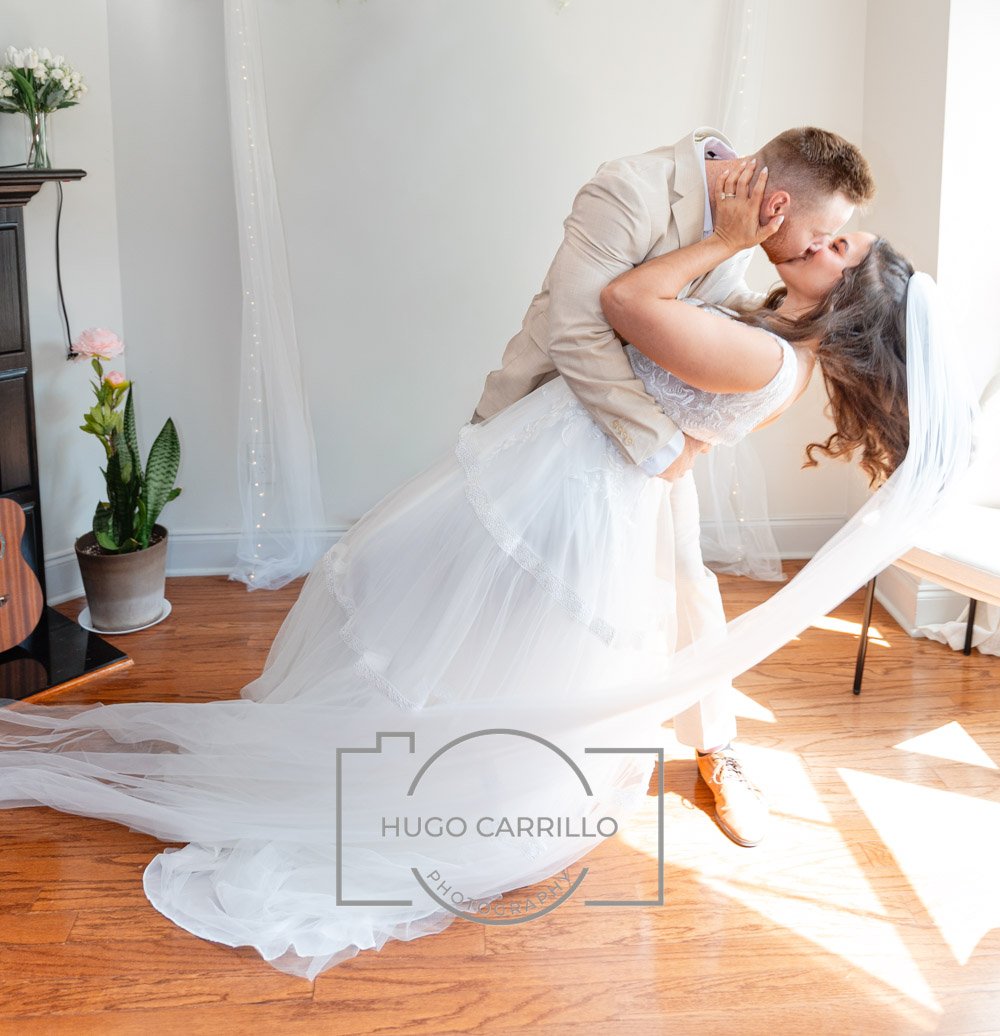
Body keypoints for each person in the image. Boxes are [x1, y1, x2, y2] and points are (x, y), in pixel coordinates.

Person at [1, 154, 969, 985]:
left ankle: (422, 777)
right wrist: (677, 434)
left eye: (848, 258)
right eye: (843, 237)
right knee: (469, 634)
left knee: (484, 636)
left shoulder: (766, 357)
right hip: (580, 471)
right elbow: (688, 428)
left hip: (572, 486)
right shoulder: (769, 341)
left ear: (850, 318)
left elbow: (626, 304)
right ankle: (414, 750)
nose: (830, 245)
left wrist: (718, 237)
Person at [470, 124, 877, 846]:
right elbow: (576, 330)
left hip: (646, 443)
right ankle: (486, 744)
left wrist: (681, 438)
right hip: (556, 423)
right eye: (822, 237)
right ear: (777, 204)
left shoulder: (754, 225)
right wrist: (663, 447)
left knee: (684, 586)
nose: (820, 253)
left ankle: (715, 751)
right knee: (520, 594)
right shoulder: (629, 188)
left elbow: (713, 319)